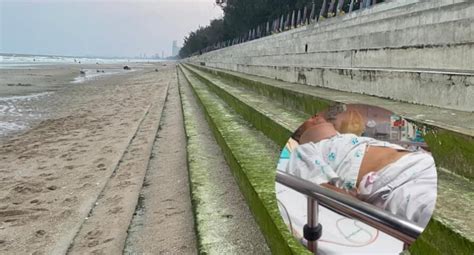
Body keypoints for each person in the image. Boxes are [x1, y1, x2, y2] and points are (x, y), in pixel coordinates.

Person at [285, 114, 437, 228]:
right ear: (298, 134)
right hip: (397, 185)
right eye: (310, 118)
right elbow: (324, 191)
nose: (316, 115)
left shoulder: (350, 138)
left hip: (423, 163)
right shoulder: (305, 150)